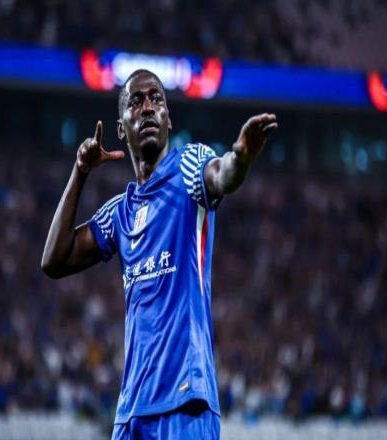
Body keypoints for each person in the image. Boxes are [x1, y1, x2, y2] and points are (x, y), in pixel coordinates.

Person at [41, 69, 278, 439]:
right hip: (131, 410)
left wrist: (241, 158)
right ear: (121, 128)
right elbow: (53, 260)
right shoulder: (120, 212)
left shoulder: (189, 167)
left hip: (185, 402)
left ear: (169, 119)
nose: (148, 108)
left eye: (156, 99)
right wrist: (80, 171)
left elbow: (222, 175)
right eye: (136, 102)